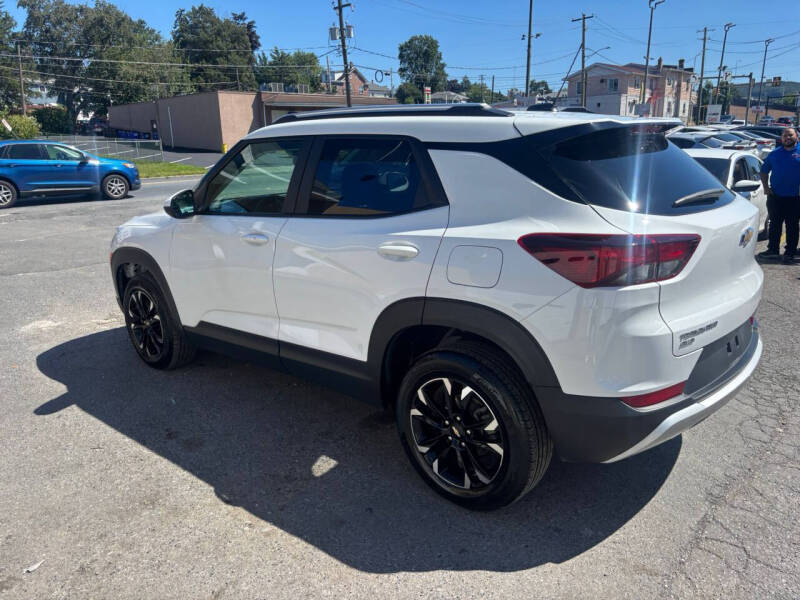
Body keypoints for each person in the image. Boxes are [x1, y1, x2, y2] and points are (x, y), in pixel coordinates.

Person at [759, 127, 800, 264]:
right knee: (775, 225)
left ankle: (790, 252)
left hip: (795, 197)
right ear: (781, 138)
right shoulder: (774, 154)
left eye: (790, 135)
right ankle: (773, 250)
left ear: (796, 137)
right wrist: (765, 187)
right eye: (784, 136)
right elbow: (764, 171)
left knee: (792, 226)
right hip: (776, 196)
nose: (787, 138)